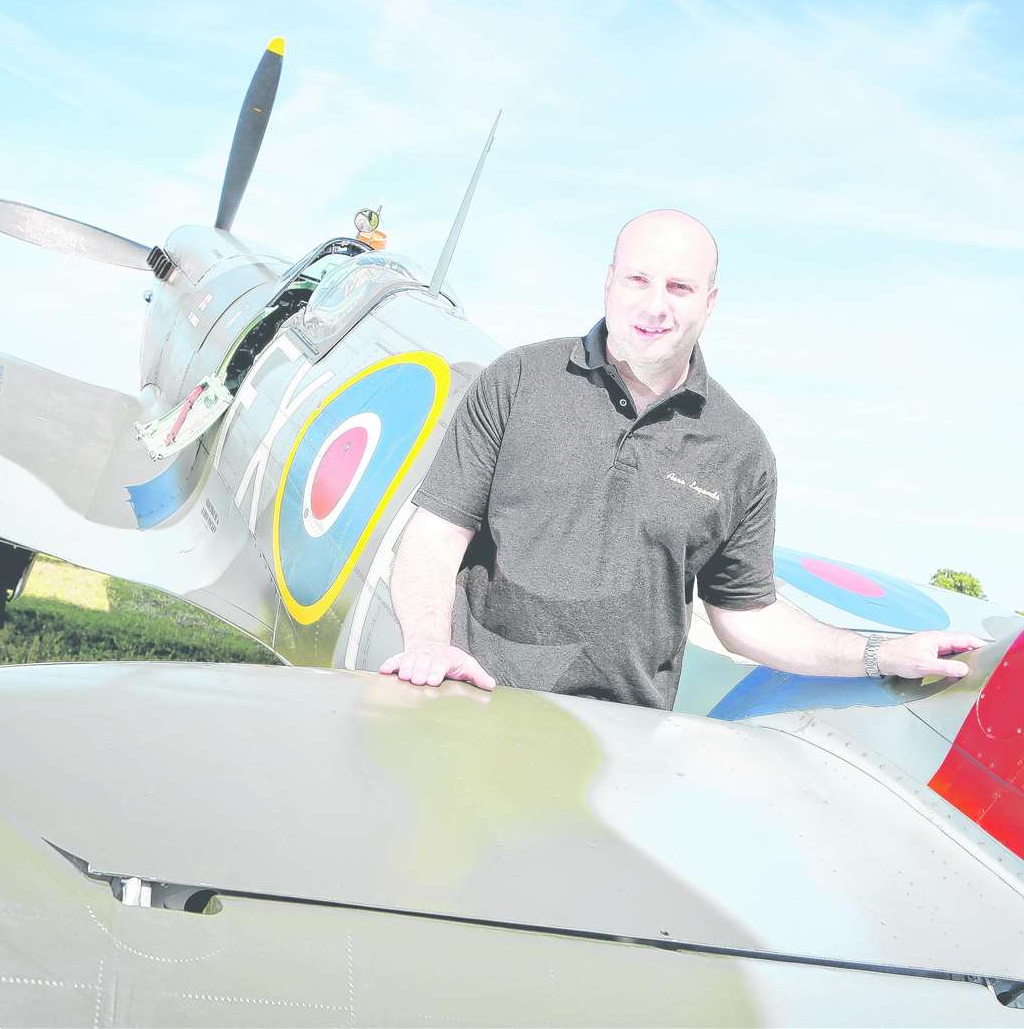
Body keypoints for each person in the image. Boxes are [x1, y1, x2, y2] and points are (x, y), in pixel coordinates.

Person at [378, 209, 983, 707]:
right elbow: (436, 532)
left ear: (709, 303)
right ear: (609, 283)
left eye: (680, 287)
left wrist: (878, 654)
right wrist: (429, 642)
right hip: (468, 703)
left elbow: (747, 617)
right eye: (638, 281)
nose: (655, 306)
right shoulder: (519, 380)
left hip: (620, 744)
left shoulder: (740, 451)